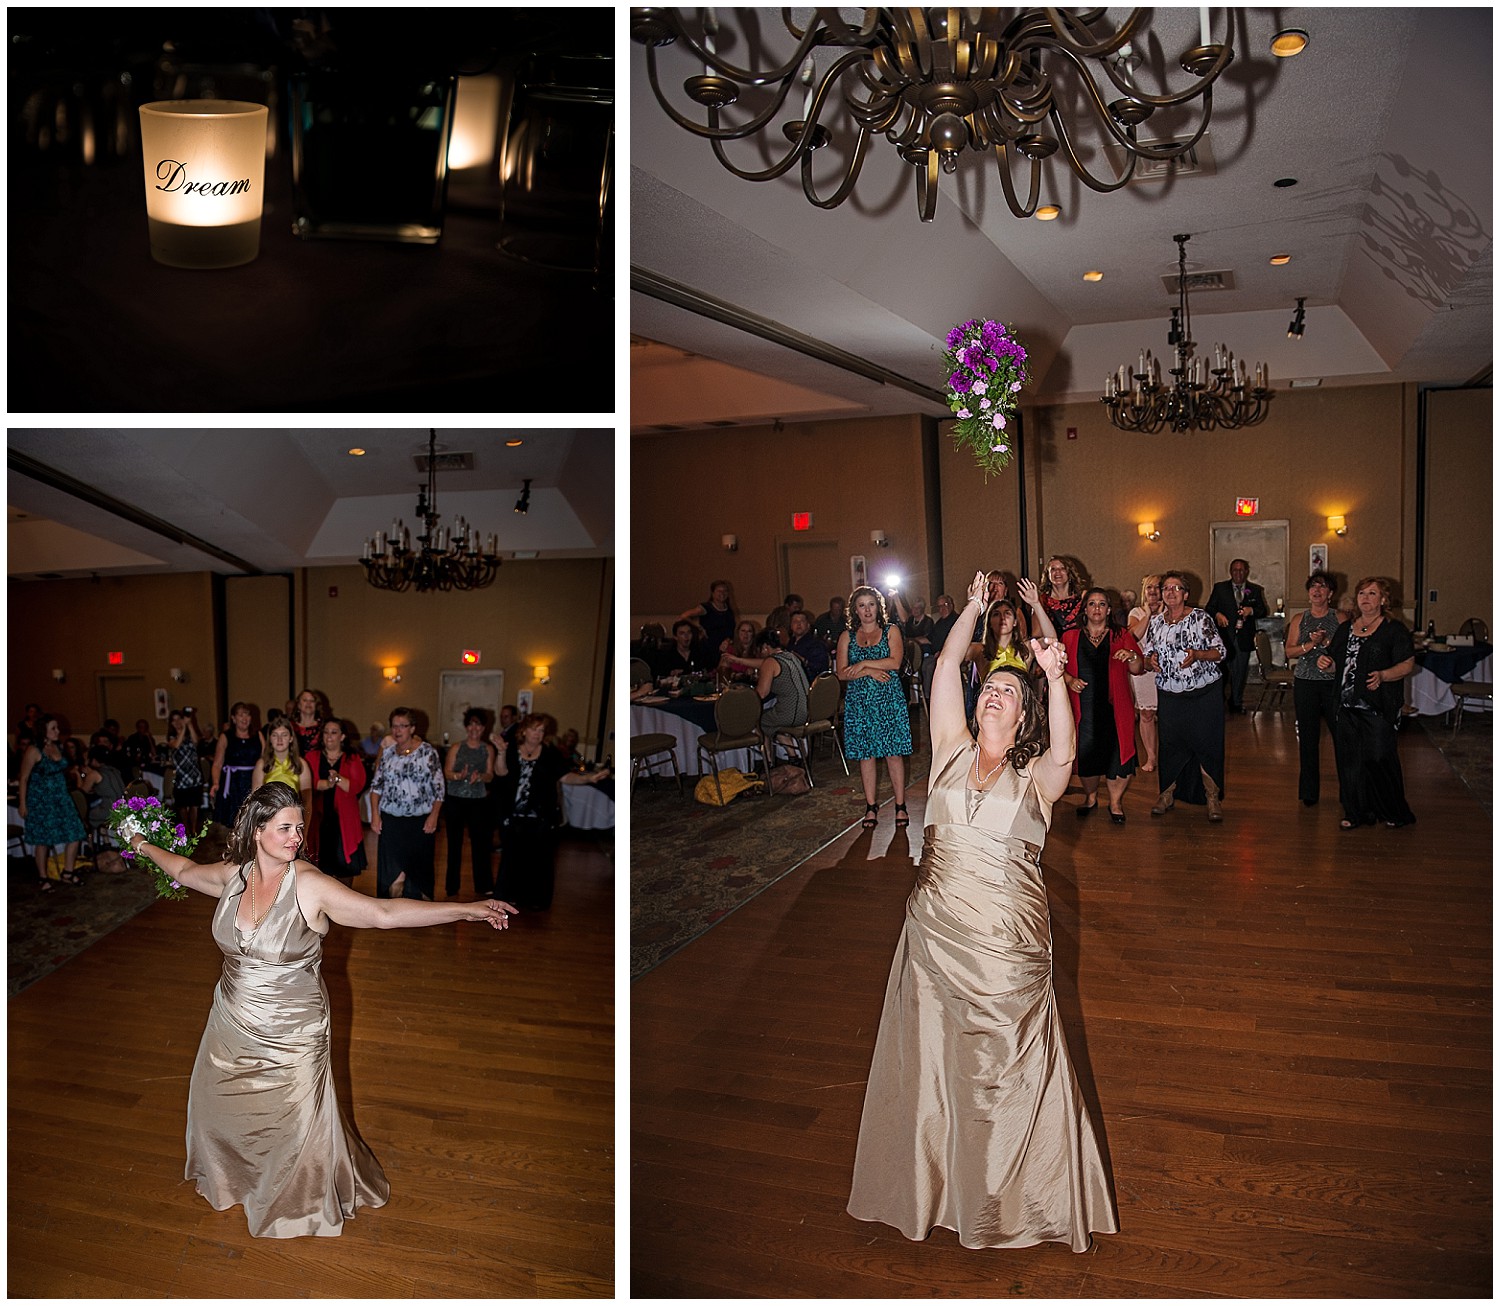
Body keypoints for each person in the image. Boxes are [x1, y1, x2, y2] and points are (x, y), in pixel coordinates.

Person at [848, 570, 1117, 1252]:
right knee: (937, 1069)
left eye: (1008, 692)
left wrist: (1053, 677)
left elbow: (1067, 750)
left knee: (1008, 1071)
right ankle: (937, 1188)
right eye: (990, 688)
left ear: (1021, 714)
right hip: (934, 938)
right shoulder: (947, 752)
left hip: (1008, 947)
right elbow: (943, 664)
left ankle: (1017, 1200)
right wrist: (972, 609)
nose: (996, 692)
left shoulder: (1038, 781)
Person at [125, 781, 515, 1238]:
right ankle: (239, 1178)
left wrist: (464, 911)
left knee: (292, 1117)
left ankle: (299, 1198)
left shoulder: (309, 884)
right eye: (285, 828)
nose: (296, 837)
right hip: (231, 1017)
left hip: (295, 1026)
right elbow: (185, 868)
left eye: (299, 828)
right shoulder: (233, 877)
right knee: (223, 1103)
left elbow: (381, 914)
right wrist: (139, 841)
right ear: (257, 831)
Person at [1320, 576, 1417, 830]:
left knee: (1379, 758)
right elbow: (1335, 665)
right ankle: (1356, 812)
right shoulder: (1345, 629)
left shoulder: (1393, 630)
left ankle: (1392, 811)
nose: (1365, 598)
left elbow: (1408, 664)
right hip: (1345, 706)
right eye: (1362, 593)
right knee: (1349, 762)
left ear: (1383, 600)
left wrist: (1384, 676)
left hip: (1377, 707)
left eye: (1372, 594)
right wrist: (1327, 664)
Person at [495, 714, 610, 911]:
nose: (538, 734)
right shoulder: (511, 750)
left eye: (541, 731)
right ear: (524, 731)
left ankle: (534, 900)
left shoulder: (549, 754)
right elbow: (501, 772)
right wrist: (501, 753)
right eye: (534, 729)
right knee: (512, 857)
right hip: (513, 815)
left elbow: (566, 776)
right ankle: (508, 897)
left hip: (540, 816)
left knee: (539, 859)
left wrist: (589, 778)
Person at [1140, 571, 1228, 821]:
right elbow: (1147, 658)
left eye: (1175, 588)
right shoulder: (1156, 622)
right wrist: (1151, 660)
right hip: (1169, 693)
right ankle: (1166, 794)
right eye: (1165, 588)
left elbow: (1219, 652)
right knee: (1170, 745)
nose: (1169, 592)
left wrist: (1198, 655)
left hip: (1203, 693)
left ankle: (1212, 797)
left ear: (1186, 594)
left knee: (1207, 743)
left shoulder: (1200, 618)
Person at [1062, 588, 1147, 822]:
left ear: (1109, 610)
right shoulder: (1070, 637)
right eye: (1092, 604)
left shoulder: (1120, 635)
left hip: (1115, 708)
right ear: (1085, 609)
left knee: (1119, 758)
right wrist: (1070, 680)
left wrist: (1131, 656)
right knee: (1086, 758)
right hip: (1084, 708)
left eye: (1101, 604)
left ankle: (1116, 803)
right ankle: (1090, 798)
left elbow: (1138, 668)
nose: (1097, 608)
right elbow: (1058, 670)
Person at [837, 585, 911, 830]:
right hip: (859, 702)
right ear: (855, 610)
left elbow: (895, 663)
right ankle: (871, 806)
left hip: (888, 699)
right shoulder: (847, 637)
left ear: (878, 607)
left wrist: (865, 663)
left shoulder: (891, 631)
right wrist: (869, 671)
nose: (867, 610)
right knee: (866, 755)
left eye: (871, 604)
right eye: (862, 605)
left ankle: (900, 805)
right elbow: (842, 673)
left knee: (893, 753)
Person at [369, 708, 444, 900]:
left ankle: (419, 916)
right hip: (392, 822)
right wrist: (375, 815)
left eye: (403, 726)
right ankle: (392, 919)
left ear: (412, 728)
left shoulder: (428, 753)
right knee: (394, 878)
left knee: (419, 875)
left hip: (419, 823)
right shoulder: (387, 754)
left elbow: (439, 789)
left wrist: (434, 816)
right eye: (394, 726)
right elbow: (376, 786)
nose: (397, 730)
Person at [1285, 572, 1345, 806]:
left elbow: (1347, 651)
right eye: (1313, 587)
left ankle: (1347, 790)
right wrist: (1311, 644)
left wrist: (1328, 645)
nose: (1317, 591)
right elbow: (1289, 652)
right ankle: (1309, 793)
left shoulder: (1339, 618)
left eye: (1322, 587)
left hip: (1332, 683)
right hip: (1306, 682)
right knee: (1308, 739)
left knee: (1341, 737)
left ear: (1330, 593)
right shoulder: (1300, 618)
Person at [18, 714, 88, 891]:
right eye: (53, 728)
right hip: (41, 800)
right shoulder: (34, 750)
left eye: (57, 728)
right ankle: (43, 877)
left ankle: (68, 872)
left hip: (61, 797)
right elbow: (24, 778)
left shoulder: (58, 746)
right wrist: (22, 804)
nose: (58, 731)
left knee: (75, 833)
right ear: (44, 731)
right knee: (43, 840)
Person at [306, 718, 368, 883]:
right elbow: (306, 782)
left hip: (343, 823)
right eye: (326, 732)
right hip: (318, 821)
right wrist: (326, 784)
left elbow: (357, 785)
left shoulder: (351, 757)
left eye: (334, 732)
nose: (329, 736)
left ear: (342, 737)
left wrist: (339, 779)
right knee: (318, 873)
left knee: (344, 872)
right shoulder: (312, 756)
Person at [1205, 558, 1269, 713]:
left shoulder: (1254, 590)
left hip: (1243, 638)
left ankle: (1236, 703)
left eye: (1241, 570)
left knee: (1240, 673)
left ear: (1246, 571)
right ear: (1230, 572)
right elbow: (1209, 608)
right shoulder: (1220, 588)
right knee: (1221, 672)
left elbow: (1263, 611)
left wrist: (1251, 611)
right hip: (1223, 637)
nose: (1238, 573)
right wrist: (1218, 614)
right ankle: (1219, 703)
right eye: (1235, 570)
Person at [443, 710, 495, 897]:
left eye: (478, 725)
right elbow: (447, 772)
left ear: (483, 728)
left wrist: (480, 776)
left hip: (478, 801)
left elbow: (490, 775)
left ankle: (483, 885)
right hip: (455, 799)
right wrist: (459, 776)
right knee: (454, 844)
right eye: (471, 724)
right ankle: (451, 886)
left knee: (481, 845)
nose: (475, 728)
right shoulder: (457, 747)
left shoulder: (487, 749)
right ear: (466, 727)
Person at [1127, 575, 1164, 772]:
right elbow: (1133, 635)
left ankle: (1169, 754)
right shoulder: (1137, 612)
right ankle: (1151, 756)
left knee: (1168, 713)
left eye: (1158, 587)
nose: (1153, 591)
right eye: (1149, 587)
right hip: (1144, 668)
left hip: (1166, 668)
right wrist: (1148, 615)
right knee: (1147, 713)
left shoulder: (1171, 611)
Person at [211, 703, 263, 828]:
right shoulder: (225, 737)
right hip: (232, 785)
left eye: (247, 714)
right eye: (240, 715)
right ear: (233, 718)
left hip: (252, 782)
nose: (244, 718)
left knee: (252, 821)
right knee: (232, 822)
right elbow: (217, 763)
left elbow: (265, 760)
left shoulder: (258, 735)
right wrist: (216, 783)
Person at [251, 719, 312, 821]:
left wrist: (304, 831)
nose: (279, 739)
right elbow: (255, 801)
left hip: (293, 820)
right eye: (275, 735)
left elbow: (307, 803)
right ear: (269, 738)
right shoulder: (262, 764)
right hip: (268, 820)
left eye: (284, 735)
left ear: (291, 738)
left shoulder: (301, 764)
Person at [166, 709, 206, 838]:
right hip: (181, 777)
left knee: (194, 805)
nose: (177, 722)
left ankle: (193, 829)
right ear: (171, 723)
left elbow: (196, 741)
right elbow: (176, 745)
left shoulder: (189, 736)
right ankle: (186, 828)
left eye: (179, 719)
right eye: (174, 720)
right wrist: (183, 728)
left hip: (194, 776)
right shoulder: (171, 737)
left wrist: (189, 724)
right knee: (182, 806)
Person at [680, 580, 736, 668]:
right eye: (719, 591)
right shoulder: (706, 608)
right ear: (713, 593)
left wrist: (728, 641)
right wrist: (699, 627)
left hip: (724, 648)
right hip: (708, 648)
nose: (722, 593)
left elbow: (731, 630)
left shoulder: (729, 610)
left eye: (725, 591)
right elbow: (684, 616)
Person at [981, 598, 1031, 676]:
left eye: (1007, 613)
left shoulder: (1025, 649)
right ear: (989, 623)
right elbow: (955, 650)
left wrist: (1036, 604)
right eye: (996, 614)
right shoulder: (980, 651)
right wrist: (974, 606)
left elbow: (1052, 639)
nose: (1002, 618)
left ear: (1015, 622)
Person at [1039, 555, 1088, 633]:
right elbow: (1036, 633)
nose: (1057, 572)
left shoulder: (1083, 596)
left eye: (1062, 568)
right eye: (1053, 569)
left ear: (1069, 573)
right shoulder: (1041, 601)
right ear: (1048, 575)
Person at [787, 609, 830, 679]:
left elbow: (821, 669)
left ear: (808, 625)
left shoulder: (816, 644)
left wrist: (803, 661)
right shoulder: (790, 643)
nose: (798, 624)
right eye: (795, 621)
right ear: (791, 626)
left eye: (802, 621)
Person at [289, 689, 328, 759]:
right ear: (298, 704)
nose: (308, 703)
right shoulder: (289, 726)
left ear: (316, 705)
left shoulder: (324, 726)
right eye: (305, 700)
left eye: (312, 701)